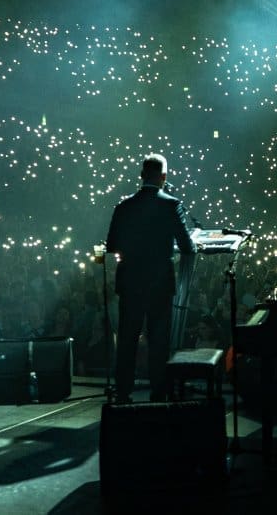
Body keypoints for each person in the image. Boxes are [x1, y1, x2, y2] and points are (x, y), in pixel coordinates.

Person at [105, 153, 196, 403]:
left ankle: (123, 392)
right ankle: (158, 392)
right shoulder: (171, 204)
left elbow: (111, 244)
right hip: (159, 283)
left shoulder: (124, 206)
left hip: (130, 281)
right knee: (158, 341)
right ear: (164, 177)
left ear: (141, 175)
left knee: (127, 339)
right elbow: (188, 246)